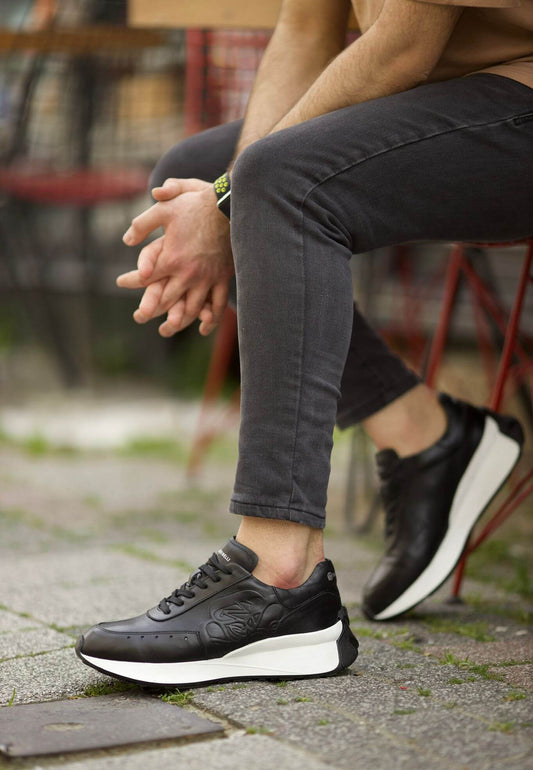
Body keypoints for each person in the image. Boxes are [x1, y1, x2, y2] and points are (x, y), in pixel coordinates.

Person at [76, 0, 532, 686]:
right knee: (196, 170)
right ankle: (424, 435)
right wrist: (223, 191)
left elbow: (404, 45)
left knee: (278, 182)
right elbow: (304, 27)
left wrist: (228, 197)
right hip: (461, 92)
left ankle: (280, 575)